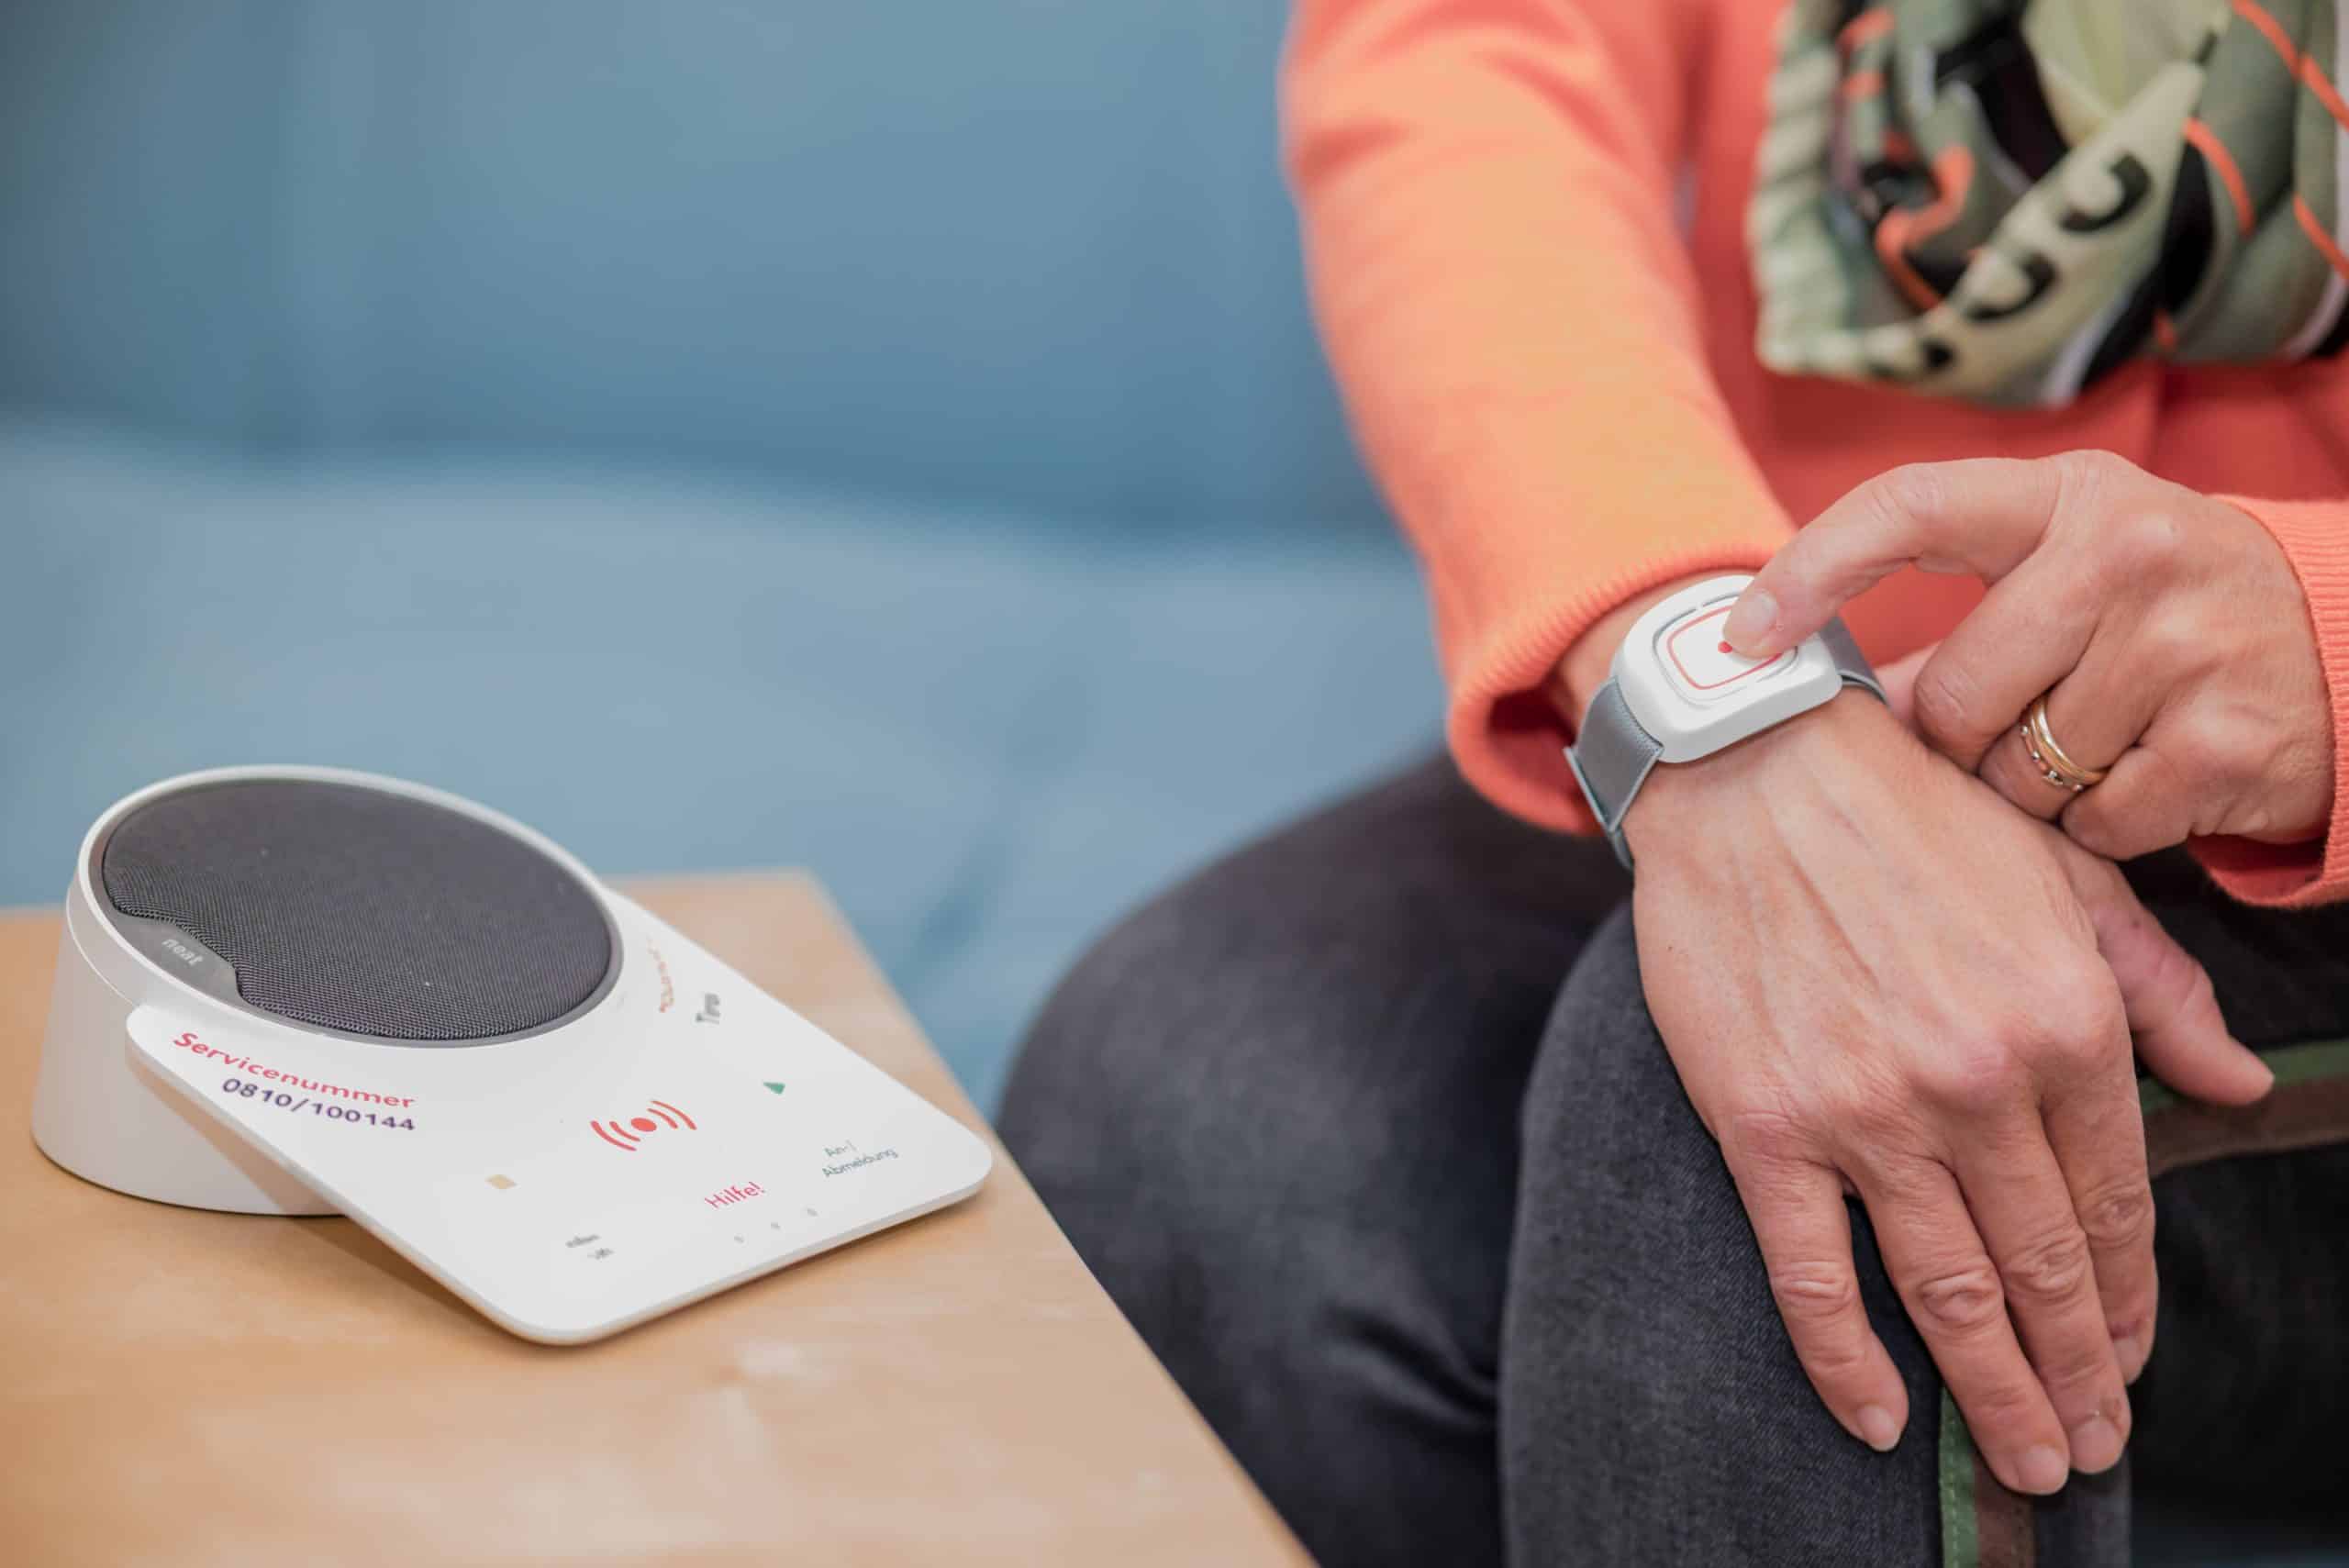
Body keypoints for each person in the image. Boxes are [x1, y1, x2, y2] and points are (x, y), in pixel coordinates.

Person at [1001, 2, 2349, 1563]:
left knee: (1763, 1146)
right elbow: (1475, 53)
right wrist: (1719, 686)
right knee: (1191, 1106)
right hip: (1829, 655)